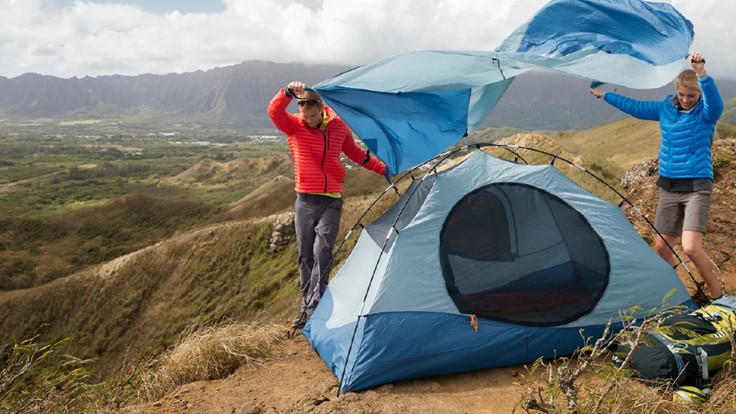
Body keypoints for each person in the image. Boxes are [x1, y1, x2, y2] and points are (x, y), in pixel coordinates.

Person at [590, 52, 724, 301]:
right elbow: (637, 107)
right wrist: (606, 95)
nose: (685, 100)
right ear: (676, 90)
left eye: (691, 96)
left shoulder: (706, 113)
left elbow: (716, 103)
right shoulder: (666, 108)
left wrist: (702, 73)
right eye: (682, 94)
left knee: (691, 247)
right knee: (662, 246)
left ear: (699, 95)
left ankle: (719, 298)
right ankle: (678, 295)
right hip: (669, 186)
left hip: (696, 186)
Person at [268, 81, 389, 328]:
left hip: (331, 199)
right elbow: (274, 112)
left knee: (322, 251)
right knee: (305, 256)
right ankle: (307, 305)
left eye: (312, 115)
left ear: (320, 108)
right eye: (305, 116)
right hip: (304, 199)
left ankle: (313, 308)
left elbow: (355, 153)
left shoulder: (338, 126)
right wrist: (287, 93)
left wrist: (382, 168)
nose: (309, 121)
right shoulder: (294, 125)